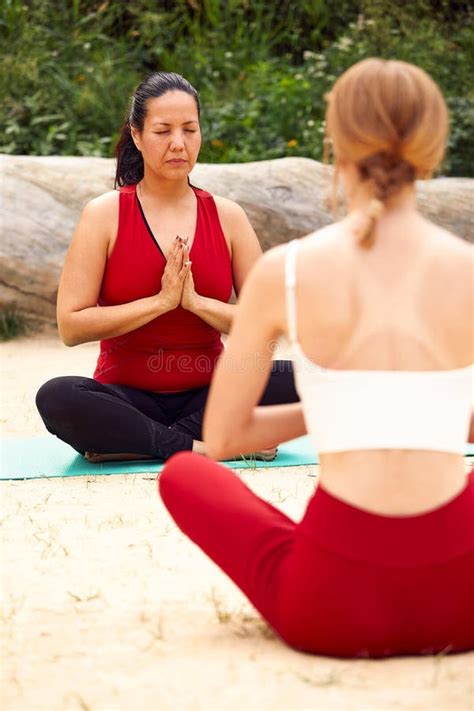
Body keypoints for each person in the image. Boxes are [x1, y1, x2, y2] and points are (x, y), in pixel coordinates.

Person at [159, 58, 474, 658]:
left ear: (337, 142)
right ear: (434, 145)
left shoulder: (287, 272)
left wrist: (328, 406)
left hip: (332, 606)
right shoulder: (470, 270)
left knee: (185, 473)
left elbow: (223, 436)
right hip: (465, 599)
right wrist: (410, 405)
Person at [35, 72, 298, 462]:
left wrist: (195, 304)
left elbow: (270, 322)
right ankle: (204, 447)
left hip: (214, 394)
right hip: (129, 398)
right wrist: (160, 302)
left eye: (189, 130)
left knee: (304, 376)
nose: (179, 144)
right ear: (137, 136)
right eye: (163, 131)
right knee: (57, 396)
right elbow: (71, 326)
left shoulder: (228, 217)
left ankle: (134, 443)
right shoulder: (104, 215)